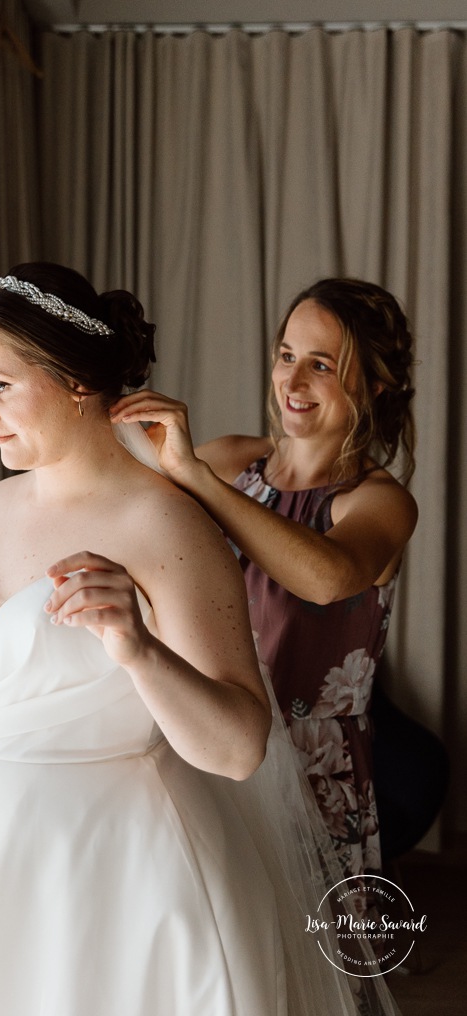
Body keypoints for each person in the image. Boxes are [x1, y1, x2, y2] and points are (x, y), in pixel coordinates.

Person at [0, 265, 400, 1016]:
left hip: (108, 872)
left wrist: (138, 650)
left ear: (76, 382)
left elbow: (238, 748)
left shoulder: (162, 525)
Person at [110, 277, 418, 882]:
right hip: (208, 733)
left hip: (313, 768)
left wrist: (197, 480)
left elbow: (326, 578)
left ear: (375, 383)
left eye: (321, 365)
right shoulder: (229, 461)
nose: (293, 383)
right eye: (286, 357)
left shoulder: (379, 503)